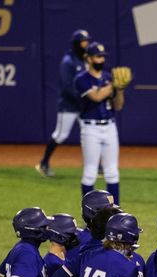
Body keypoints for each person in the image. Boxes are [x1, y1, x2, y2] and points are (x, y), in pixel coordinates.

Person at [75, 41, 125, 204]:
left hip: (110, 126)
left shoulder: (108, 78)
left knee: (112, 172)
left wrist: (120, 90)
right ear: (88, 58)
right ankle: (88, 214)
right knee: (90, 172)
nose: (101, 60)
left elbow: (118, 105)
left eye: (103, 57)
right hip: (90, 128)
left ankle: (115, 212)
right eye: (98, 56)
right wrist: (113, 86)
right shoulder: (81, 79)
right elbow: (96, 97)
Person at [36, 29, 90, 178]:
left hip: (83, 105)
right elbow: (68, 87)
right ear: (76, 44)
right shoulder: (68, 62)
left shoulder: (86, 59)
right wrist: (86, 99)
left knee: (89, 133)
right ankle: (43, 163)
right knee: (60, 135)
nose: (86, 44)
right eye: (84, 41)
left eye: (87, 41)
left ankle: (95, 166)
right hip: (69, 106)